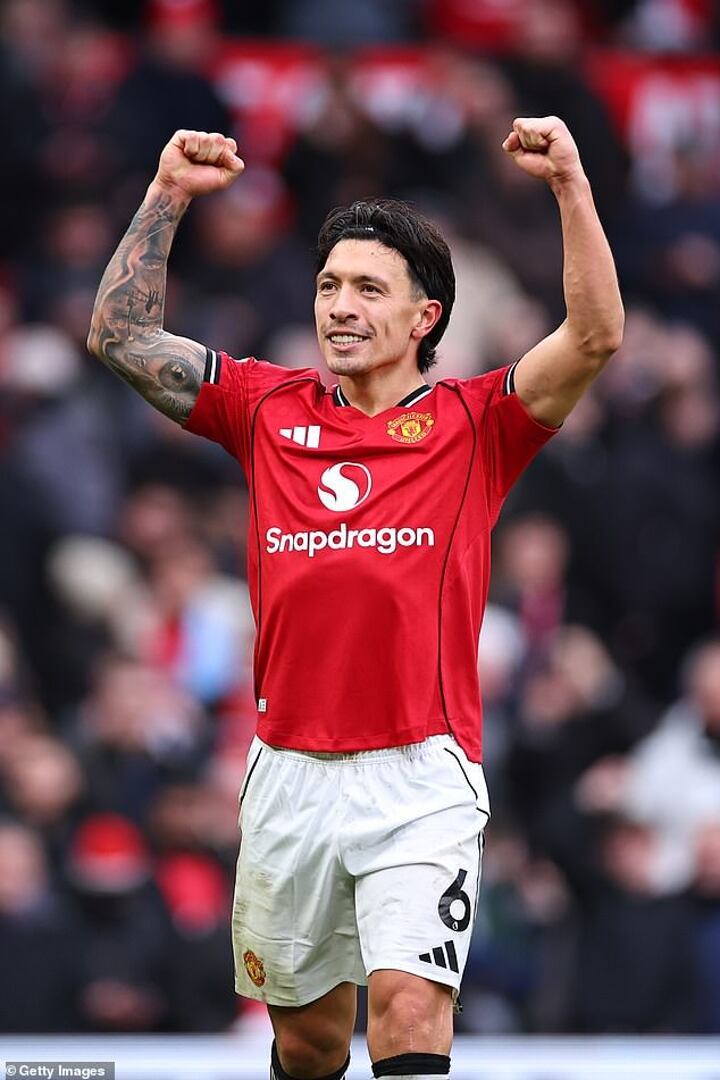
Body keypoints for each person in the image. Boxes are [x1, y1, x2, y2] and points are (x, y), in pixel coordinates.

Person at [87, 118, 623, 1080]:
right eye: (329, 285)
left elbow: (594, 335)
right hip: (287, 774)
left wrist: (570, 186)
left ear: (425, 317)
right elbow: (119, 336)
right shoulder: (265, 407)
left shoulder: (477, 423)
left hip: (422, 774)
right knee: (309, 1041)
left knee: (409, 1008)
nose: (340, 305)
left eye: (369, 288)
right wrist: (166, 193)